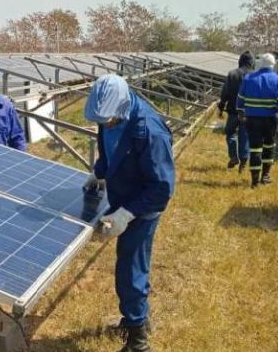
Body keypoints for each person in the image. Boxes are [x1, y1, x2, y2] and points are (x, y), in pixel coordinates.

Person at [83, 74, 175, 352]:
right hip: (123, 196)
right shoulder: (108, 116)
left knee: (130, 269)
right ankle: (135, 320)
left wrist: (127, 213)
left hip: (142, 207)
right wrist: (98, 174)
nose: (105, 125)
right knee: (128, 264)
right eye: (101, 121)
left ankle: (138, 341)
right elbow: (109, 152)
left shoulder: (150, 131)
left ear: (122, 107)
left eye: (109, 120)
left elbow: (161, 188)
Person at [236, 53, 278, 188]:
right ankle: (265, 177)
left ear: (259, 64)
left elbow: (240, 100)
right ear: (273, 65)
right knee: (268, 148)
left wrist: (240, 112)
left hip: (252, 120)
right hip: (269, 121)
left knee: (254, 149)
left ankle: (254, 181)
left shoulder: (248, 79)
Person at [218, 51, 255, 171]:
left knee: (231, 133)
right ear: (252, 62)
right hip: (249, 112)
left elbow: (225, 93)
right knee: (245, 135)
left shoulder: (232, 74)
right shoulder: (255, 76)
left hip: (233, 111)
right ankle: (244, 161)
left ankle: (234, 156)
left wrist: (221, 107)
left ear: (240, 61)